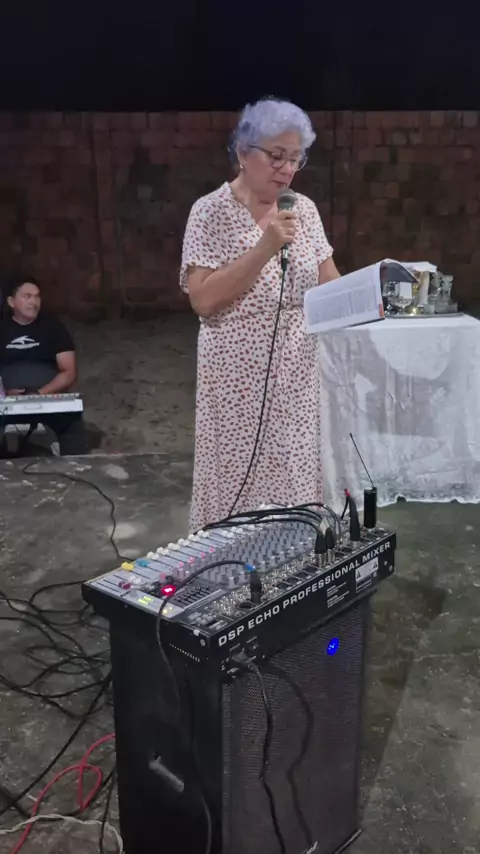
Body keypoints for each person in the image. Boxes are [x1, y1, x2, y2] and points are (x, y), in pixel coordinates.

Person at [180, 97, 341, 532]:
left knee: (294, 470)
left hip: (298, 372)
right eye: (276, 156)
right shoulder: (209, 212)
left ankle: (295, 555)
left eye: (296, 159)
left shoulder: (303, 209)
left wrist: (370, 293)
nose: (287, 170)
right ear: (242, 152)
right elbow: (203, 299)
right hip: (235, 377)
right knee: (237, 479)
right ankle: (232, 561)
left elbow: (329, 281)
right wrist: (266, 246)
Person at [0, 275, 86, 455]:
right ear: (11, 302)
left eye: (37, 296)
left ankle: (74, 466)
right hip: (6, 398)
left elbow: (69, 372)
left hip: (49, 395)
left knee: (73, 422)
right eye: (27, 296)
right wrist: (4, 394)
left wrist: (38, 394)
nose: (34, 302)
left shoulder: (53, 327)